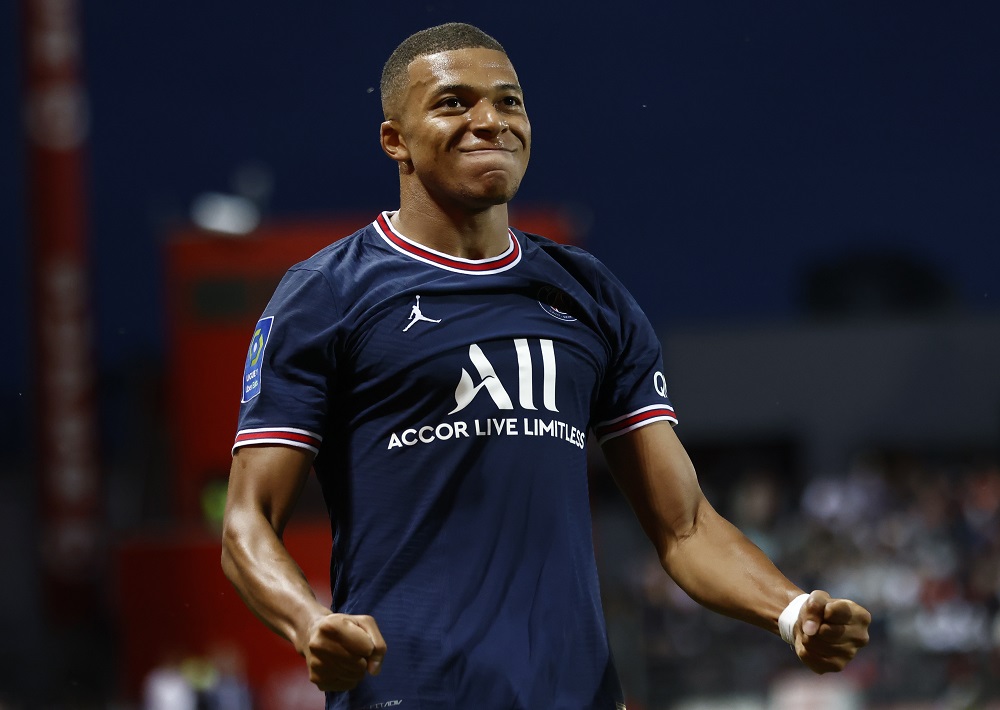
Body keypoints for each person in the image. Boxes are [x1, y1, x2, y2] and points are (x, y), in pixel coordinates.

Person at [221, 22, 871, 709]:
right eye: (453, 102)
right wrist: (309, 622)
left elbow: (684, 527)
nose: (490, 120)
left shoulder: (590, 294)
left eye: (509, 101)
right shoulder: (328, 293)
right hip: (408, 693)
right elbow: (246, 523)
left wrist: (791, 612)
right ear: (395, 141)